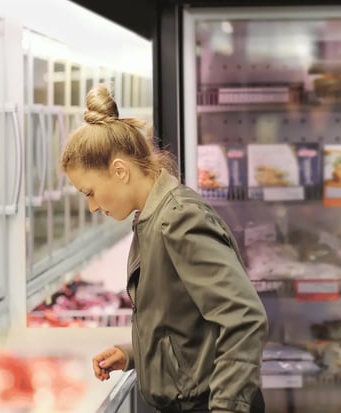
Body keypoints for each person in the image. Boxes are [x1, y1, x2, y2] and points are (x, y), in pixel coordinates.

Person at [60, 84, 268, 413]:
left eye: (90, 192)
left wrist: (226, 409)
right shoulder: (152, 217)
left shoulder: (178, 219)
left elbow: (245, 318)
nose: (92, 207)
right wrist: (134, 355)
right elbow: (185, 323)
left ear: (119, 171)